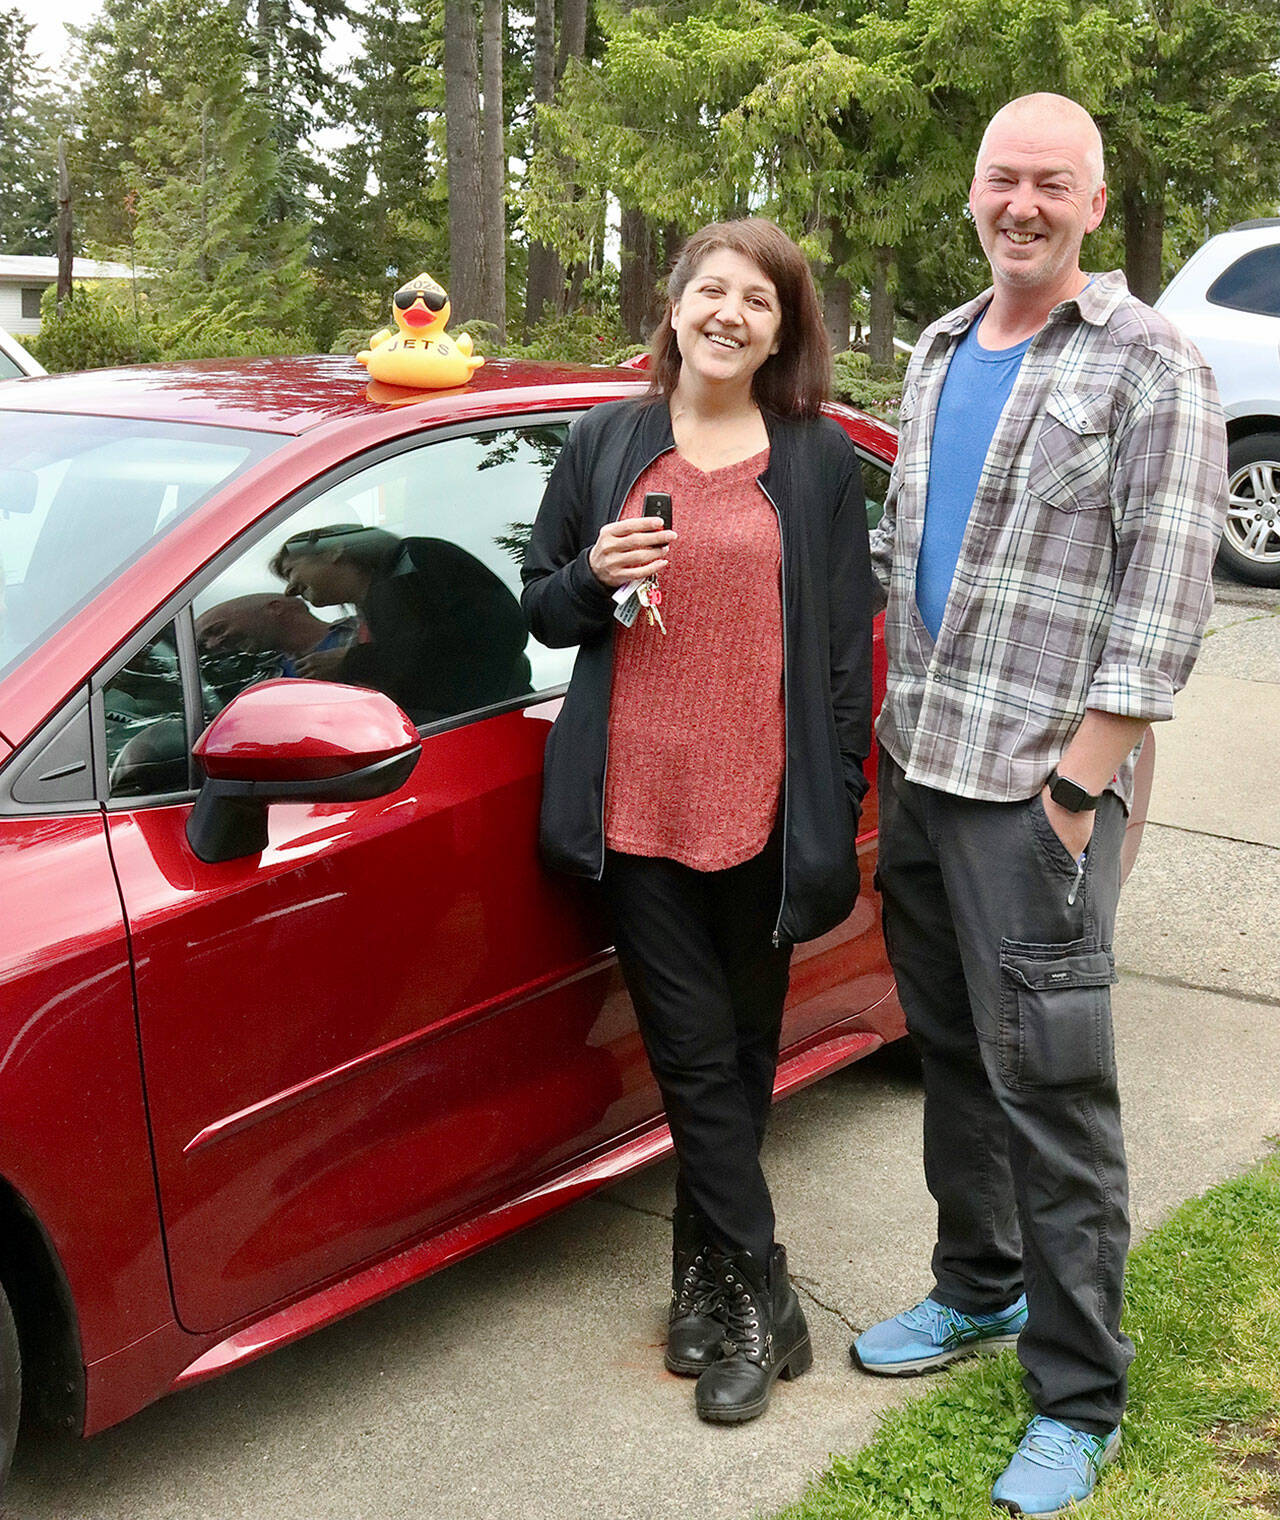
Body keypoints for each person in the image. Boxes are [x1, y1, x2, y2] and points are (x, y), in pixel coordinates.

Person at [851, 94, 1227, 1515]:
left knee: (1054, 1093)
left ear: (1092, 201)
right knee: (952, 1054)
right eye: (1002, 178)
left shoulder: (1150, 360)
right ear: (972, 191)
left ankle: (1078, 1394)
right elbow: (909, 558)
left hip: (1034, 792)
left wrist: (1079, 785)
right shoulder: (942, 346)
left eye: (1050, 183)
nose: (1021, 203)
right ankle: (979, 1283)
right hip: (923, 767)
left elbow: (1166, 590)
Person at [521, 218, 874, 1424]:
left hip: (764, 810)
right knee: (688, 1054)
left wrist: (835, 799)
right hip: (636, 806)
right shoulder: (605, 441)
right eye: (710, 290)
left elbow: (842, 661)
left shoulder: (815, 461)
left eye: (757, 300)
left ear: (782, 331)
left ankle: (702, 1278)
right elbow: (541, 606)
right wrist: (591, 577)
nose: (729, 312)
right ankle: (764, 1297)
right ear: (673, 308)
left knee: (739, 1058)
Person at [270, 524, 532, 724]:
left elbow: (489, 635)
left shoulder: (414, 560)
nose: (289, 590)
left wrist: (352, 661)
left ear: (333, 550)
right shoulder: (375, 606)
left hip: (496, 724)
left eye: (291, 571)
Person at [195, 593, 357, 676]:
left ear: (275, 608)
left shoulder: (365, 630)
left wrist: (354, 661)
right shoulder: (261, 685)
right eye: (204, 644)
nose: (213, 645)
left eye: (218, 630)